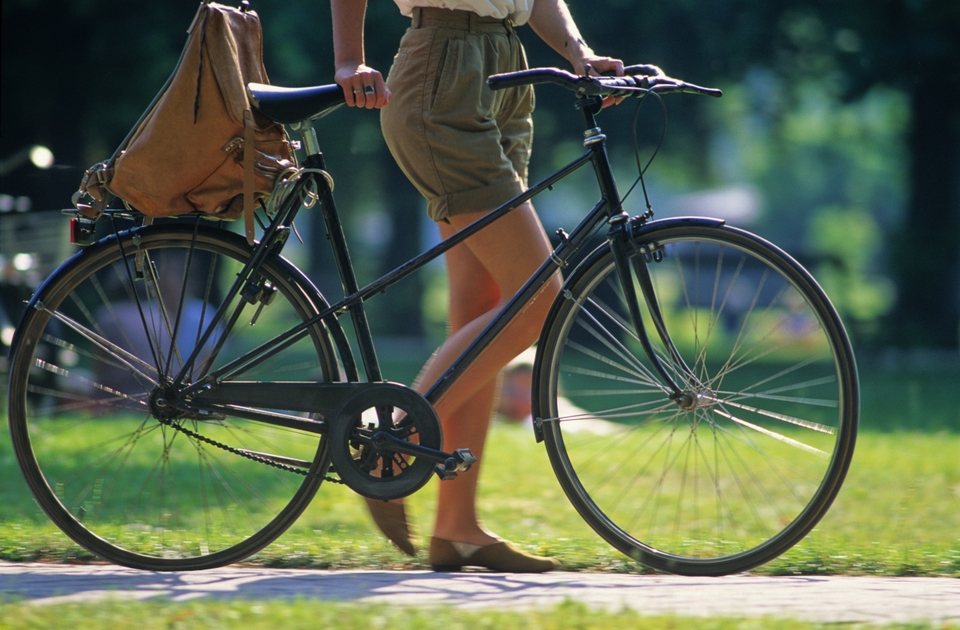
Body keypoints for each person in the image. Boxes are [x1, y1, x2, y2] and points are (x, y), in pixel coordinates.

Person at [331, 0, 623, 572]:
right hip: (443, 67)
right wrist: (348, 61)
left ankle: (457, 529)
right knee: (540, 300)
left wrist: (580, 54)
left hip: (506, 73)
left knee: (483, 308)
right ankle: (388, 449)